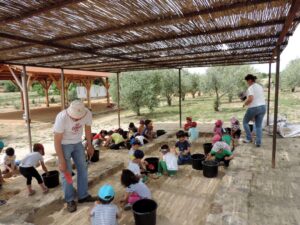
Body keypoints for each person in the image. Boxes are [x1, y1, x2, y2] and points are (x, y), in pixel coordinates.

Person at [54, 100, 96, 213]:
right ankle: (70, 199)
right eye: (74, 118)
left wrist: (90, 145)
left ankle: (83, 195)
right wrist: (61, 160)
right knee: (66, 173)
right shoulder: (61, 117)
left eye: (78, 118)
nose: (77, 120)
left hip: (78, 143)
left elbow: (88, 129)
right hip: (64, 144)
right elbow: (57, 140)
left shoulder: (87, 113)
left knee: (83, 168)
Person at [243, 74, 266, 147]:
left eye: (247, 81)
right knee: (258, 126)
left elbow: (250, 99)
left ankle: (249, 138)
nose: (247, 82)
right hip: (263, 107)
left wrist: (245, 104)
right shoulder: (260, 86)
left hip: (254, 107)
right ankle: (258, 142)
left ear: (250, 80)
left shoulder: (251, 88)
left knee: (245, 122)